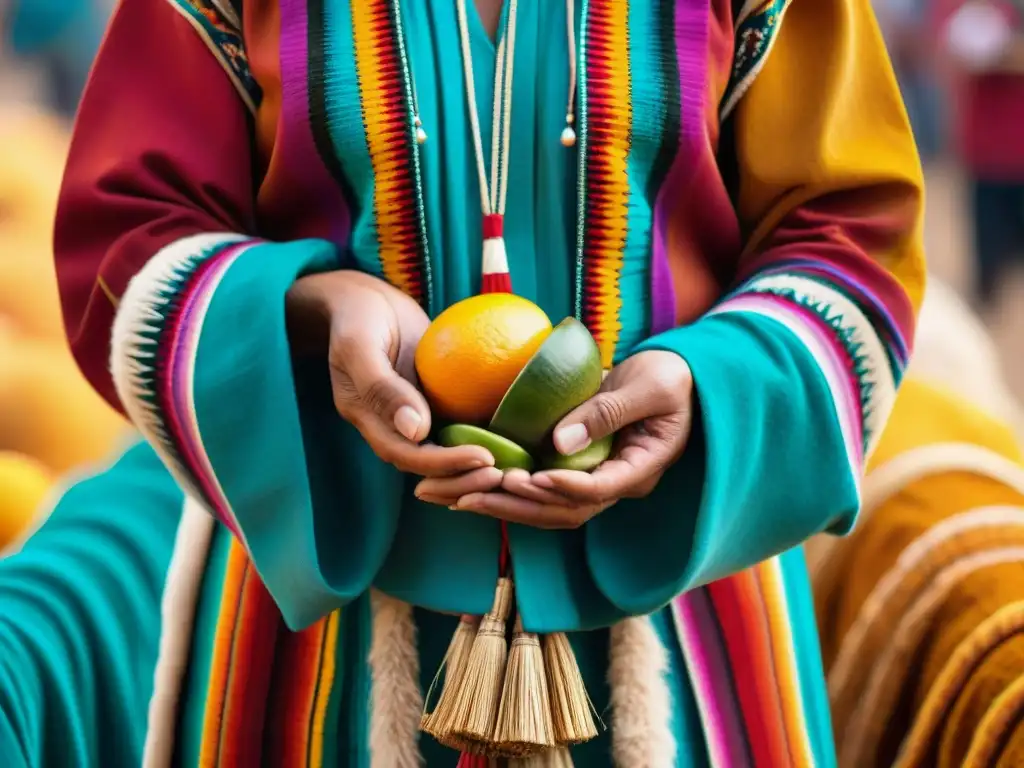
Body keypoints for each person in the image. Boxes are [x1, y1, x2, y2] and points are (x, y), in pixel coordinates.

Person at [6, 0, 923, 763]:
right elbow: (124, 242)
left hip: (685, 613)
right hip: (313, 628)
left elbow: (851, 236)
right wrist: (312, 305)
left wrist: (709, 386)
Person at [937, 0, 1024, 307]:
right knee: (989, 275)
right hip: (990, 156)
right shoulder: (968, 6)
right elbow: (964, 51)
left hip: (1000, 152)